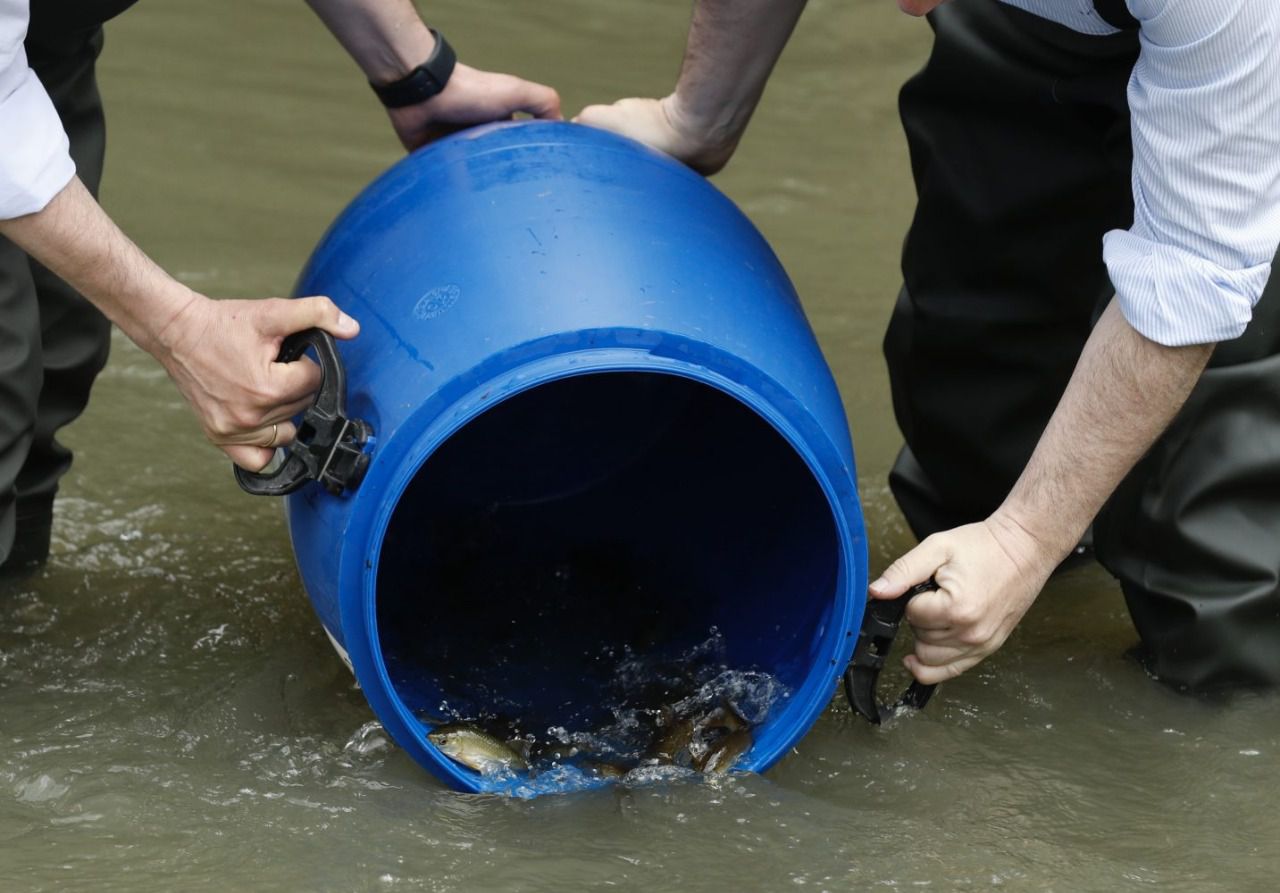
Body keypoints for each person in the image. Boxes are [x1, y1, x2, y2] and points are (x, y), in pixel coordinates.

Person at [577, 0, 1280, 691]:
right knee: (970, 389)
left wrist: (1025, 539)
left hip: (1243, 58)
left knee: (1212, 536)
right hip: (1036, 25)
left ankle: (1224, 703)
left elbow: (1197, 268)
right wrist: (699, 116)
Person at [0, 0, 561, 573]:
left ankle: (16, 598)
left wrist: (415, 74)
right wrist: (177, 329)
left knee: (58, 350)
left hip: (38, 44)